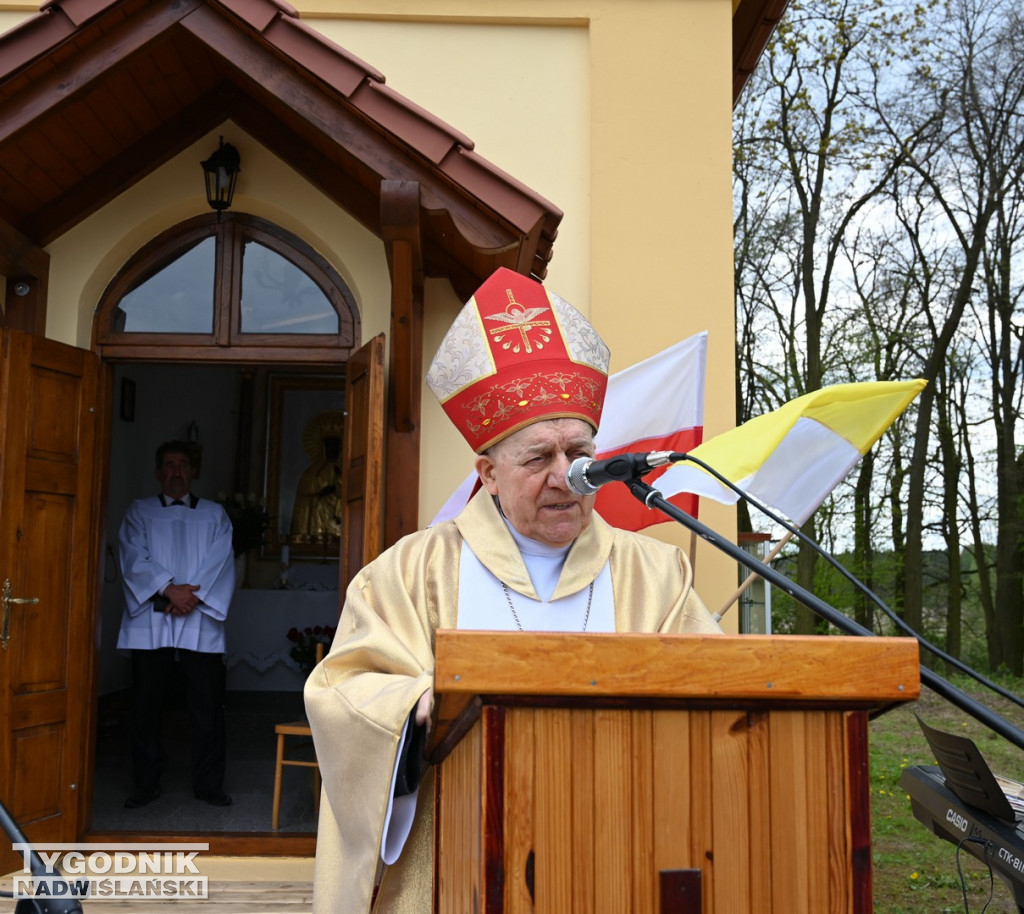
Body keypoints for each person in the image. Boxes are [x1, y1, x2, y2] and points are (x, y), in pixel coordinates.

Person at [304, 268, 721, 913]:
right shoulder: (410, 572)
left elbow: (720, 700)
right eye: (538, 459)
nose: (567, 477)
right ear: (488, 474)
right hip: (464, 863)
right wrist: (414, 704)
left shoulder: (656, 576)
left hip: (617, 854)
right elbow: (343, 691)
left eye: (579, 453)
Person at [116, 440, 236, 809]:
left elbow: (220, 561)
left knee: (207, 708)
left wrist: (189, 597)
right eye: (169, 464)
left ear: (193, 471)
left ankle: (208, 784)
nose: (176, 471)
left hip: (198, 620)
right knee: (145, 708)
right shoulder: (139, 512)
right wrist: (169, 590)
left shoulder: (215, 515)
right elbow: (133, 556)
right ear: (157, 472)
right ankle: (146, 784)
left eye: (183, 464)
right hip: (152, 621)